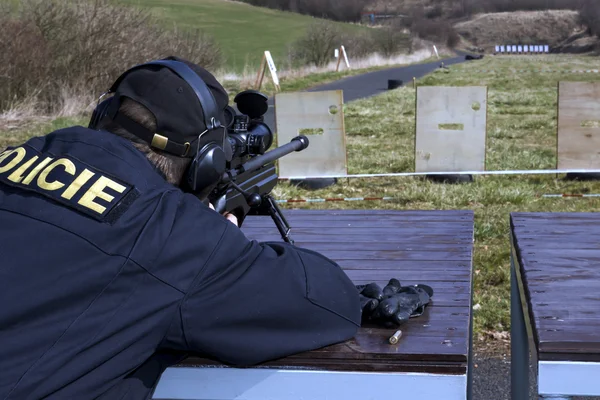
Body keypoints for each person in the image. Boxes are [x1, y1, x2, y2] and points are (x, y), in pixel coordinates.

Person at [0, 56, 431, 400]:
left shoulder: (17, 157)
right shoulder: (170, 232)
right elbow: (325, 302)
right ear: (206, 162)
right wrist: (218, 236)